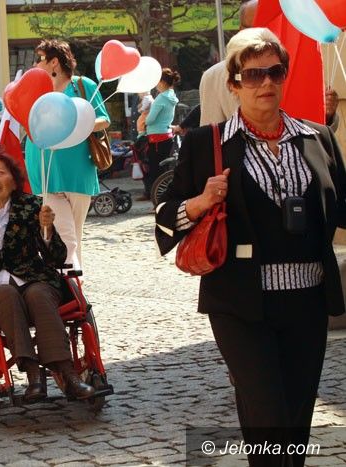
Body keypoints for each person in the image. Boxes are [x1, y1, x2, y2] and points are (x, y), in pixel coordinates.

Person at [156, 28, 346, 467]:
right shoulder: (208, 144)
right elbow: (165, 217)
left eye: (275, 72)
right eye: (254, 75)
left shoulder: (317, 138)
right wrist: (201, 202)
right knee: (269, 412)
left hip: (308, 302)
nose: (266, 83)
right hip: (239, 304)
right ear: (234, 84)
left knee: (295, 416)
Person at [0, 146, 95, 401]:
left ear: (14, 181)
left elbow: (56, 256)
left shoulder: (31, 206)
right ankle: (33, 374)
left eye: (0, 173)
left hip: (32, 278)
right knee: (6, 294)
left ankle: (67, 374)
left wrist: (47, 231)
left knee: (38, 294)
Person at [25, 39, 110, 274]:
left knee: (73, 236)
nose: (34, 64)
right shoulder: (37, 90)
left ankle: (72, 284)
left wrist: (77, 123)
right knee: (58, 234)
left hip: (77, 171)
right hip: (43, 170)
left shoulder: (83, 85)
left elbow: (104, 120)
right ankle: (65, 283)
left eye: (39, 59)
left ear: (54, 62)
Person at [199, 0, 258, 126]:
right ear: (241, 30)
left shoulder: (294, 70)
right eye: (254, 28)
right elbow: (211, 133)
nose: (262, 35)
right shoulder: (214, 76)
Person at [139, 68, 180, 201]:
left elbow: (150, 119)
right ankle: (163, 198)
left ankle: (158, 199)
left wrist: (144, 120)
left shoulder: (161, 98)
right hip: (166, 135)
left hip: (156, 137)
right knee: (164, 170)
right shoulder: (171, 96)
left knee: (155, 170)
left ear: (162, 82)